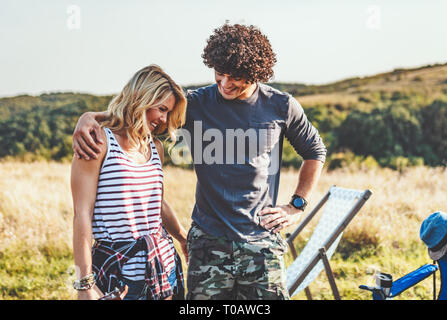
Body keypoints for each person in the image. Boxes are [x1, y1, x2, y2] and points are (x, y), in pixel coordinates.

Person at [72, 23, 327, 300]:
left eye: (236, 77)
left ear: (256, 73)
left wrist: (296, 206)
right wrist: (90, 117)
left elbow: (315, 151)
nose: (225, 84)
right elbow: (140, 112)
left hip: (261, 243)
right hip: (207, 244)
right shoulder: (196, 104)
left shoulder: (281, 106)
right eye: (220, 74)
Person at [71, 64, 188, 300]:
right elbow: (82, 213)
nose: (164, 119)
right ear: (141, 99)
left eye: (169, 112)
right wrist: (84, 284)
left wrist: (183, 238)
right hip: (119, 275)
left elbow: (159, 203)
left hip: (163, 267)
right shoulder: (98, 141)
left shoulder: (154, 147)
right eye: (161, 109)